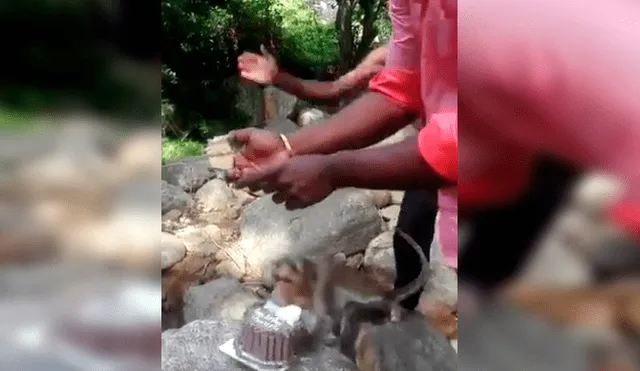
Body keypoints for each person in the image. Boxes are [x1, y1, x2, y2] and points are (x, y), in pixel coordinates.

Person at [230, 0, 454, 309]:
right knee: (409, 233)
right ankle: (404, 307)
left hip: (468, 166)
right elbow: (345, 91)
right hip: (428, 160)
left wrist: (335, 170)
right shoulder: (410, 13)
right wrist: (287, 145)